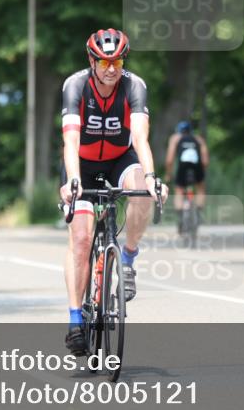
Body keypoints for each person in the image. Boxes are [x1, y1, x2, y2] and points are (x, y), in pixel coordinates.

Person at [59, 28, 168, 355]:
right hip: (82, 163)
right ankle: (76, 319)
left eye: (117, 60)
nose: (111, 67)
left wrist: (150, 176)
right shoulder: (75, 85)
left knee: (143, 191)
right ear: (92, 61)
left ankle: (129, 259)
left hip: (122, 158)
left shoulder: (134, 86)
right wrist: (73, 180)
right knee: (80, 238)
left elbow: (139, 137)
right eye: (104, 61)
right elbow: (70, 141)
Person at [164, 120, 209, 215]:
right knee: (200, 187)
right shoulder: (199, 139)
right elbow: (205, 160)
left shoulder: (175, 138)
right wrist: (202, 173)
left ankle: (180, 214)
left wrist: (168, 174)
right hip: (196, 166)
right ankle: (198, 211)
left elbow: (169, 159)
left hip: (182, 166)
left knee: (179, 188)